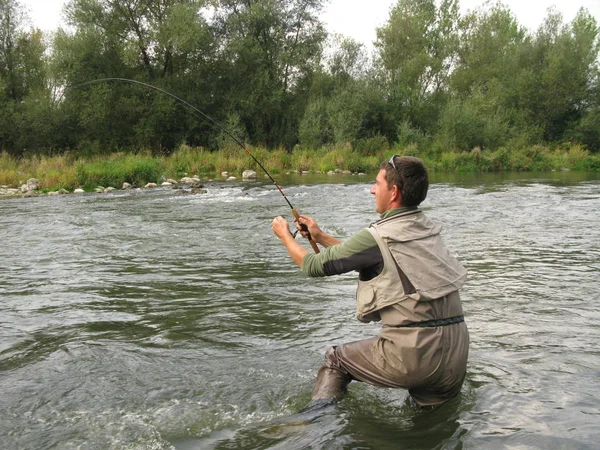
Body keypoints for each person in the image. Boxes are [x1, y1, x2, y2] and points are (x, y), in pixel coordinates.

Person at [271, 155, 469, 408]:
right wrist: (320, 237)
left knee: (336, 361)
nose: (372, 189)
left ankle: (313, 425)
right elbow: (379, 258)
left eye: (377, 183)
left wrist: (285, 237)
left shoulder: (377, 236)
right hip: (456, 353)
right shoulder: (427, 229)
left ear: (394, 192)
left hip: (415, 354)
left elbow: (313, 266)